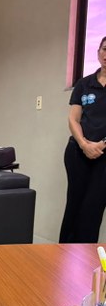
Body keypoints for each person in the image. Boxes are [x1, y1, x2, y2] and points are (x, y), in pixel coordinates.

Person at [60, 36, 106, 243]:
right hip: (78, 153)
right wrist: (84, 144)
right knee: (74, 205)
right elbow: (74, 119)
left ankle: (85, 260)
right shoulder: (84, 84)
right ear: (98, 53)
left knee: (93, 207)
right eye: (104, 49)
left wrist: (99, 146)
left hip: (103, 157)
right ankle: (64, 255)